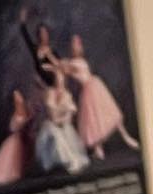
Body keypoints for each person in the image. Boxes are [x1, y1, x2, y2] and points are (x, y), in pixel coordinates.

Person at [60, 32, 140, 161]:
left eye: (78, 45)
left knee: (108, 111)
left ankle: (126, 137)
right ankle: (98, 148)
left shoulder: (79, 60)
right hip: (88, 88)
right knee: (92, 119)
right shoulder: (72, 63)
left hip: (94, 85)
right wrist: (57, 63)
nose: (78, 47)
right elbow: (65, 68)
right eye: (75, 45)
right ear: (72, 48)